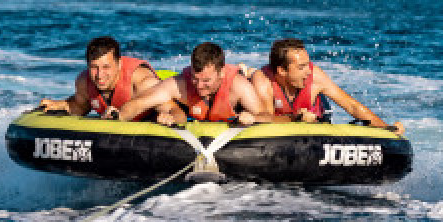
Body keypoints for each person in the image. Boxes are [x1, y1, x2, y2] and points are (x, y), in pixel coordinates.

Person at [249, 38, 405, 135]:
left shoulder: (315, 76)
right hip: (286, 121)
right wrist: (296, 118)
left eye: (308, 64)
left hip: (316, 114)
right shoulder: (263, 80)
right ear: (282, 71)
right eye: (301, 67)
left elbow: (352, 107)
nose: (308, 71)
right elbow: (265, 122)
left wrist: (387, 129)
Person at [117, 41, 267, 126]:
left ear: (221, 74)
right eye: (195, 78)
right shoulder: (180, 84)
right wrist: (118, 116)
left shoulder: (239, 87)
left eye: (206, 80)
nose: (199, 86)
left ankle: (246, 69)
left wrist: (254, 118)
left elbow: (267, 116)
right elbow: (137, 104)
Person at [39, 36, 161, 121]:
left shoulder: (143, 83)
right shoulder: (83, 81)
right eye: (94, 67)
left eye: (106, 67)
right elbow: (80, 106)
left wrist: (165, 115)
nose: (99, 74)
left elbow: (171, 107)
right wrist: (61, 105)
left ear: (119, 64)